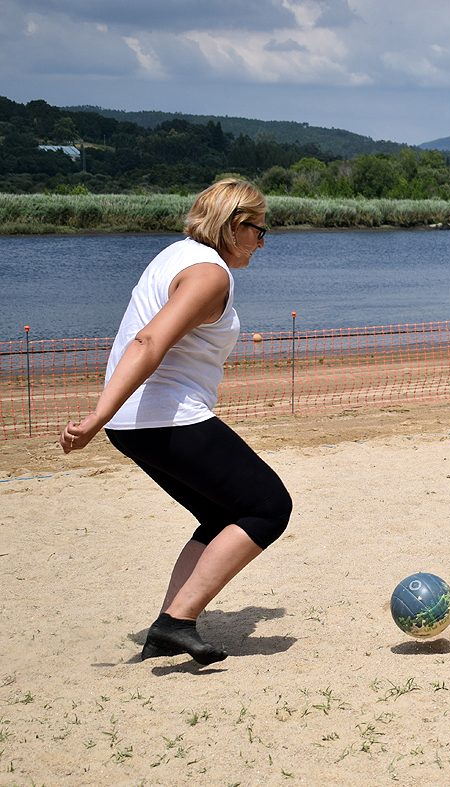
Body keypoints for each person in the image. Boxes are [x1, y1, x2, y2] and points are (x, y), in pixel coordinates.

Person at [59, 178, 292, 664]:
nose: (261, 243)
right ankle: (176, 621)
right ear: (233, 225)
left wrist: (110, 415)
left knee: (222, 513)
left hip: (138, 420)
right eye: (259, 231)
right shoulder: (210, 274)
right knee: (268, 506)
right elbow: (147, 342)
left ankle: (167, 628)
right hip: (163, 414)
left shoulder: (175, 255)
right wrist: (98, 414)